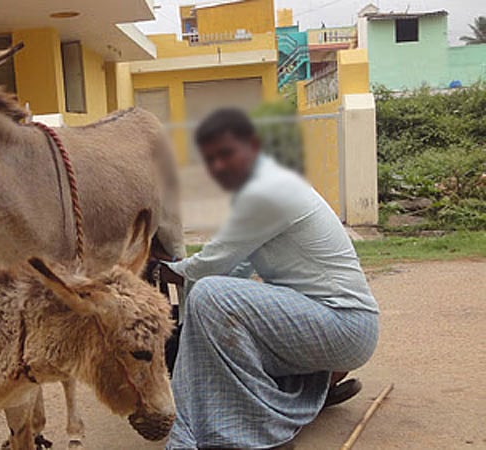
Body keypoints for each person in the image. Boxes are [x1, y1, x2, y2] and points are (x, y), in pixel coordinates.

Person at [158, 109, 379, 449]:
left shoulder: (269, 191)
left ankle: (258, 428)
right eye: (211, 159)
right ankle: (300, 400)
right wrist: (189, 327)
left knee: (211, 294)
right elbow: (236, 269)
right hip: (332, 324)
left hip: (344, 325)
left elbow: (211, 265)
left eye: (227, 153)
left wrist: (162, 269)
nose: (219, 165)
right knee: (217, 305)